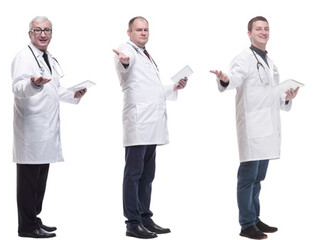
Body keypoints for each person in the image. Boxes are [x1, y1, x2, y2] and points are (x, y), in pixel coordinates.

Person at [209, 16, 298, 240]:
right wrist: (225, 79)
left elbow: (274, 95)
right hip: (252, 127)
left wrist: (287, 97)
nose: (263, 32)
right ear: (249, 34)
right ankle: (246, 224)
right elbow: (234, 79)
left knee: (258, 178)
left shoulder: (270, 61)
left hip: (268, 127)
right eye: (258, 29)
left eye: (266, 28)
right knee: (247, 178)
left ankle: (255, 219)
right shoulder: (243, 59)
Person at [12, 16, 87, 239]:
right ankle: (26, 227)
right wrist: (32, 84)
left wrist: (74, 94)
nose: (43, 34)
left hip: (46, 129)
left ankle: (34, 219)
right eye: (38, 30)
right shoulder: (23, 57)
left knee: (39, 181)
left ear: (51, 34)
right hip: (31, 129)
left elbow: (54, 89)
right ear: (30, 34)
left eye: (47, 30)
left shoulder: (48, 58)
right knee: (28, 182)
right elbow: (18, 88)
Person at [112, 16, 187, 239]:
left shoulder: (145, 54)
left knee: (147, 176)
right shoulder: (126, 50)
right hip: (138, 123)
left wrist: (174, 86)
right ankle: (132, 223)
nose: (143, 33)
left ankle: (145, 217)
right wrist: (124, 62)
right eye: (138, 30)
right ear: (129, 32)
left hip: (152, 124)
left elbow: (152, 88)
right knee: (133, 175)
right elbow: (124, 66)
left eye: (146, 29)